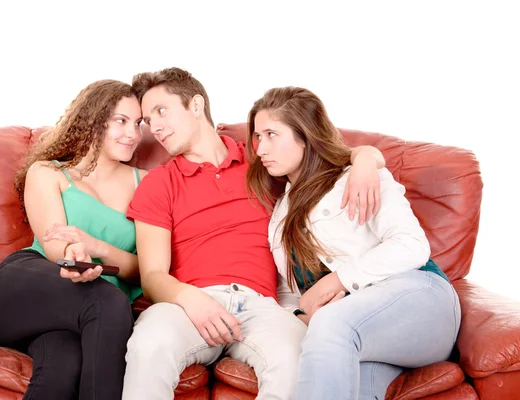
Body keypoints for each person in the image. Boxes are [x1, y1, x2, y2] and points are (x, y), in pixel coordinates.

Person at [122, 67, 386, 400]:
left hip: (263, 308)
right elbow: (152, 275)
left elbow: (334, 154)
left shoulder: (261, 158)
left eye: (161, 111)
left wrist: (364, 162)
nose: (154, 126)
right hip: (189, 304)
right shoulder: (159, 183)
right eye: (147, 120)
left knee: (298, 357)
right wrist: (191, 299)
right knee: (150, 344)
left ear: (196, 105)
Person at [246, 86, 461, 400]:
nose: (261, 148)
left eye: (271, 134)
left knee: (331, 324)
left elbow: (412, 245)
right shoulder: (280, 215)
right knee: (348, 384)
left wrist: (339, 280)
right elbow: (292, 294)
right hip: (361, 333)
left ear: (304, 136)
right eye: (257, 137)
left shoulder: (356, 178)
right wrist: (299, 316)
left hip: (423, 302)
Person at [0, 79, 145, 400]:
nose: (133, 134)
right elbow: (56, 245)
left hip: (82, 317)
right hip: (27, 288)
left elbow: (145, 268)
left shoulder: (147, 184)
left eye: (138, 123)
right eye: (121, 121)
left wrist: (98, 249)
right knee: (108, 301)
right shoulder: (47, 173)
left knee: (65, 366)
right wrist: (76, 255)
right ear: (93, 118)